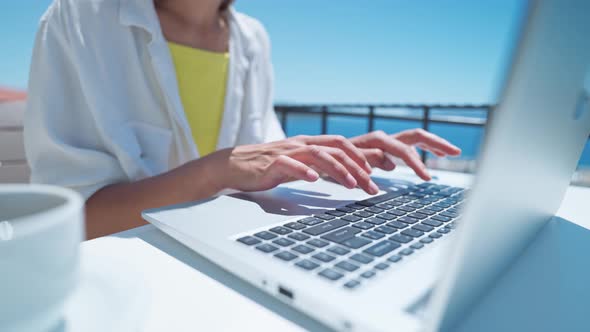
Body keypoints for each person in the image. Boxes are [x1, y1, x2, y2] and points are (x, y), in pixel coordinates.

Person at [24, 0, 461, 239]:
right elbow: (73, 222)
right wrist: (215, 170)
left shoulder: (252, 38)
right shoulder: (79, 18)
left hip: (229, 262)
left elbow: (266, 161)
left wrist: (330, 157)